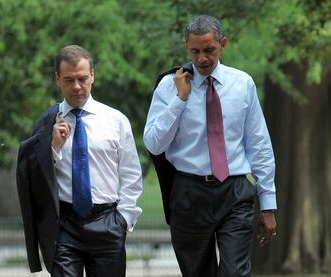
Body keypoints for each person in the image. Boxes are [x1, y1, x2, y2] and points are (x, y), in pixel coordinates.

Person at [143, 15, 277, 277]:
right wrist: (179, 100)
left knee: (235, 273)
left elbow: (259, 145)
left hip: (235, 192)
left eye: (209, 50)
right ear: (185, 47)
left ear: (223, 44)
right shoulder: (169, 87)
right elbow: (154, 144)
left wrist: (268, 204)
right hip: (189, 193)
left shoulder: (242, 84)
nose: (202, 58)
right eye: (195, 51)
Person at [16, 45, 143, 277]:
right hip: (64, 225)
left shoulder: (116, 120)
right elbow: (32, 179)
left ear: (93, 76)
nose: (76, 86)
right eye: (69, 80)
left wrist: (124, 219)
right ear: (57, 79)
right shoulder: (47, 122)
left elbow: (132, 173)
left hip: (108, 222)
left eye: (82, 78)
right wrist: (52, 148)